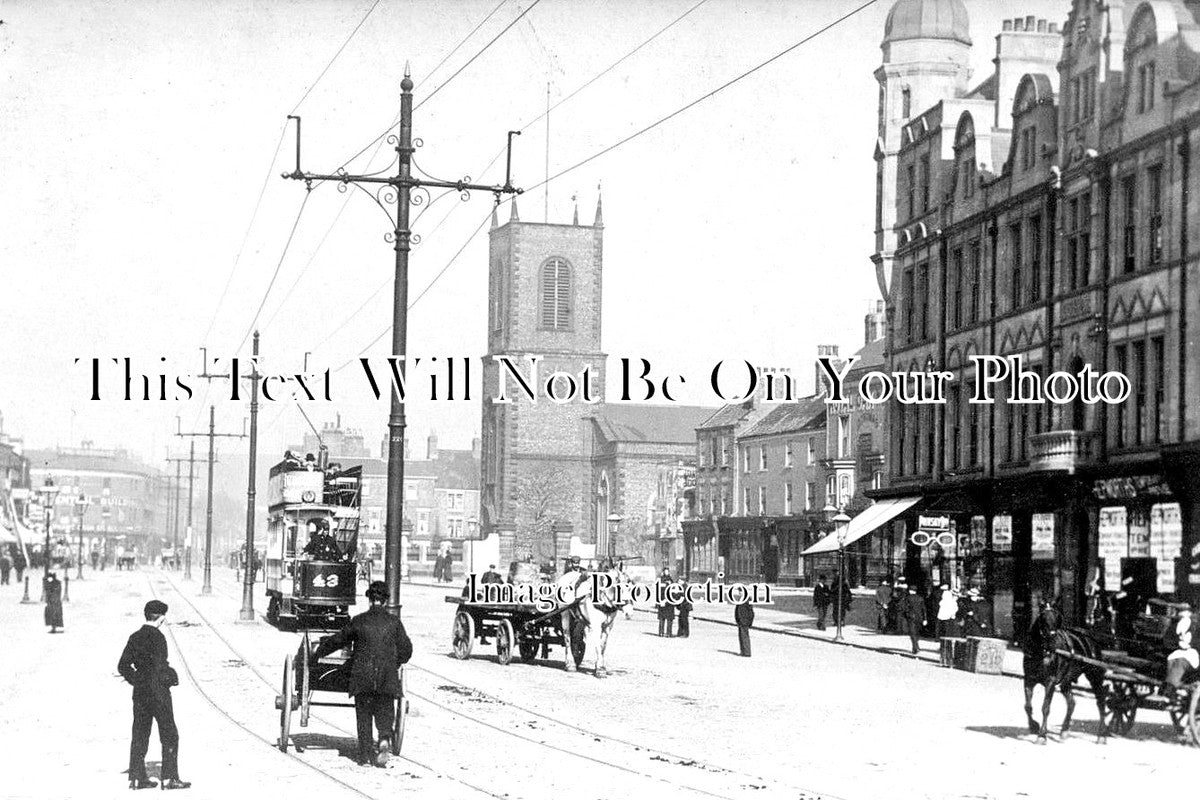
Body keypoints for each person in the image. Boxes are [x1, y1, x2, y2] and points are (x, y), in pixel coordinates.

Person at [311, 581, 413, 767]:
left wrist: (318, 653)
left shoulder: (358, 621)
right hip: (386, 678)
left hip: (362, 677)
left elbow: (338, 641)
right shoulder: (394, 623)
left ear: (370, 599)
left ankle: (365, 756)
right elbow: (406, 650)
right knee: (385, 710)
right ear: (385, 601)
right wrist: (394, 662)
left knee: (363, 715)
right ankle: (383, 738)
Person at [118, 600, 189, 790]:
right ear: (160, 617)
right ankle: (169, 779)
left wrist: (137, 680)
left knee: (140, 733)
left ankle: (137, 778)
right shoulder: (158, 638)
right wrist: (171, 676)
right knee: (169, 733)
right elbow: (160, 667)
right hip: (159, 693)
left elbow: (122, 665)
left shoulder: (135, 637)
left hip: (140, 693)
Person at [1166, 611, 1198, 688]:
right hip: (1181, 652)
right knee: (1173, 659)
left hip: (1191, 656)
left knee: (1181, 660)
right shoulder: (1185, 624)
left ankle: (1172, 685)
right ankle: (1172, 684)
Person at [900, 583, 926, 655]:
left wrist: (906, 615)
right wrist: (925, 619)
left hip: (911, 617)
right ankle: (917, 645)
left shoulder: (907, 598)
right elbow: (924, 609)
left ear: (910, 591)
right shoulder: (920, 598)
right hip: (919, 617)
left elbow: (904, 608)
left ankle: (915, 647)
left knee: (912, 633)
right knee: (917, 632)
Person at [656, 572, 676, 637]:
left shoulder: (661, 582)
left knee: (664, 619)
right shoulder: (671, 582)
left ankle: (663, 633)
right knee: (666, 619)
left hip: (665, 603)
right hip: (668, 603)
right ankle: (667, 633)